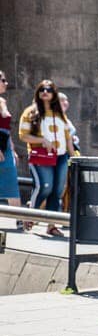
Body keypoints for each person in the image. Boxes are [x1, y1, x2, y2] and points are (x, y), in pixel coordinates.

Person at [18, 80, 75, 237]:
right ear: (38, 92)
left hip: (61, 156)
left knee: (57, 191)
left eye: (49, 89)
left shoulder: (60, 114)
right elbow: (23, 135)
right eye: (42, 89)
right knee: (44, 187)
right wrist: (42, 141)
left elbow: (68, 137)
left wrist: (75, 157)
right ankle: (30, 216)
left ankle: (51, 225)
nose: (45, 92)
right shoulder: (31, 111)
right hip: (41, 155)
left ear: (54, 93)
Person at [0, 71, 23, 229]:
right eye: (3, 80)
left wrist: (12, 149)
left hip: (5, 148)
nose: (6, 83)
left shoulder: (3, 101)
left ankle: (20, 219)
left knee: (11, 183)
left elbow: (6, 129)